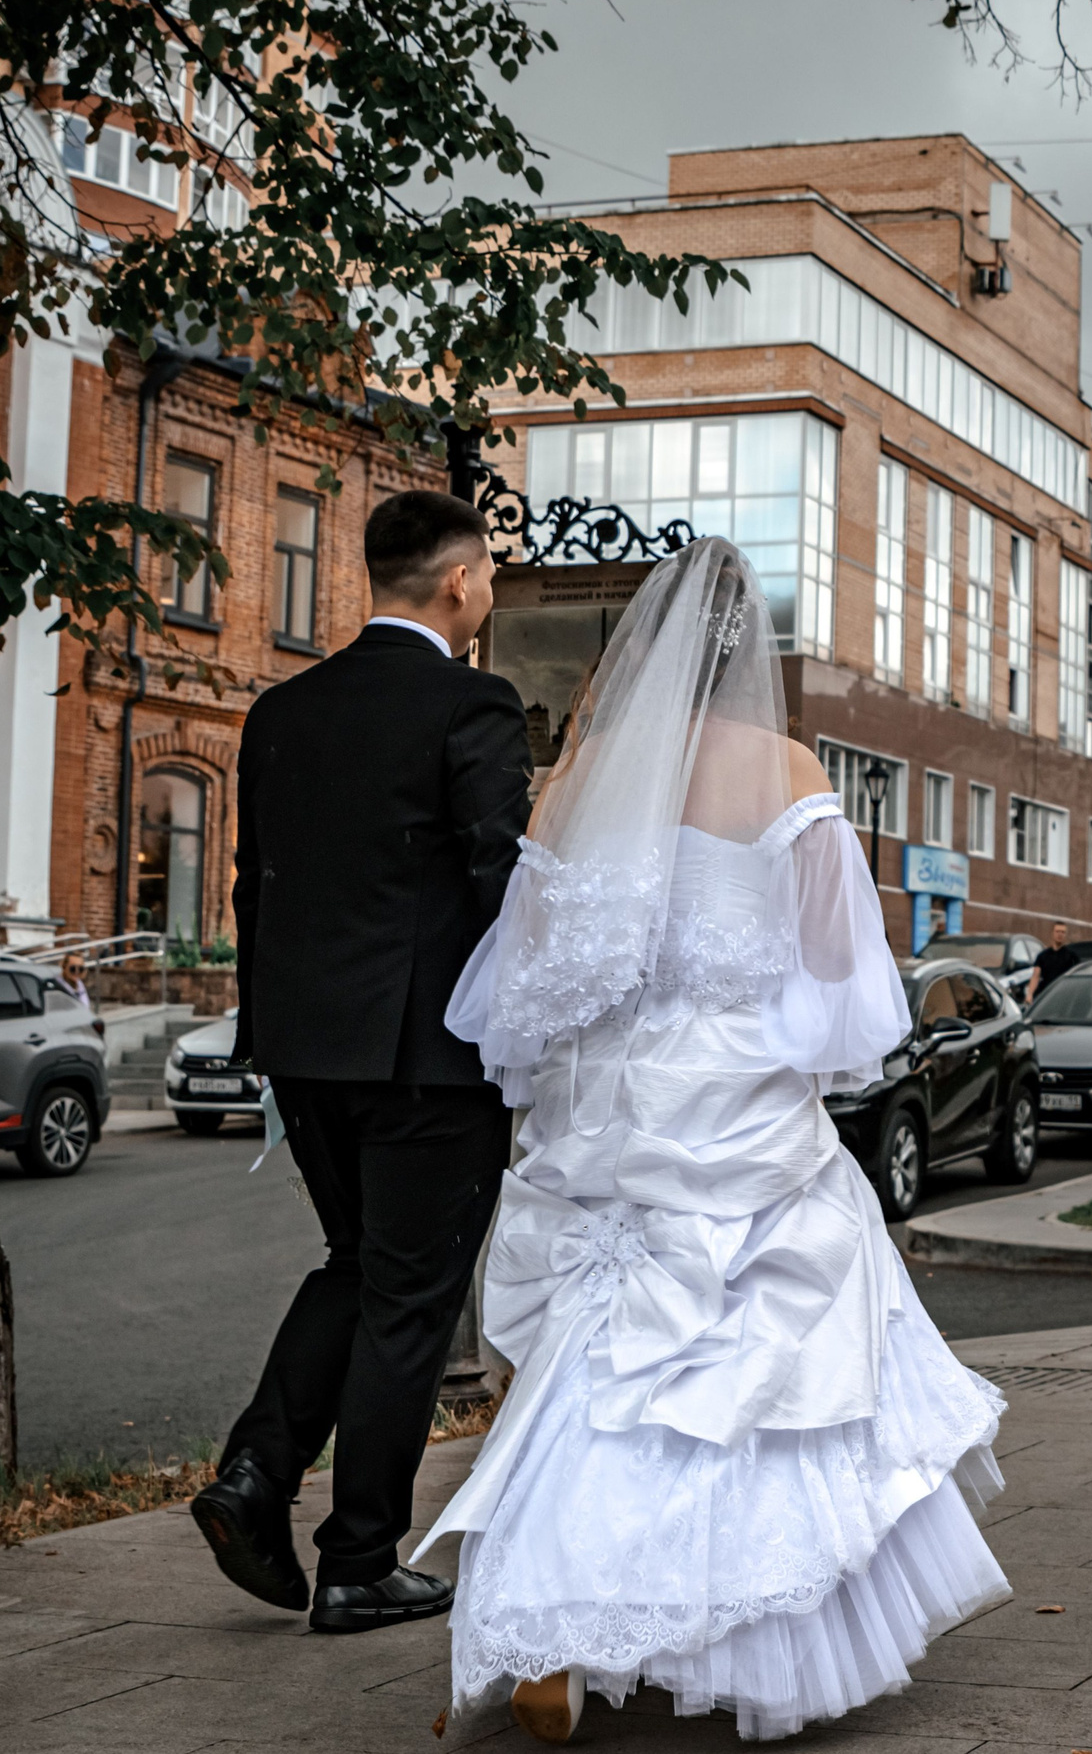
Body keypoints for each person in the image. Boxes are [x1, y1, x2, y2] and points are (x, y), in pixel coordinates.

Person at [421, 538, 1009, 1742]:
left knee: (589, 1380)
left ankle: (553, 1618)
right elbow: (842, 966)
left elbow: (525, 965)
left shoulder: (582, 771)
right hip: (736, 1100)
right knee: (756, 1387)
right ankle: (750, 1636)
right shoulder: (783, 764)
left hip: (612, 1103)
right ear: (755, 654)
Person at [193, 490, 533, 1633]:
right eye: (486, 573)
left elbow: (252, 884)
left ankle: (255, 1472)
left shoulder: (280, 713)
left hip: (303, 1047)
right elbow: (502, 884)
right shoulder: (471, 702)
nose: (486, 590)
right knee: (410, 1299)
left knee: (358, 1261)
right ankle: (358, 1559)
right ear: (456, 584)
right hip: (429, 1059)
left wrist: (272, 1027)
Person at [1029, 919, 1079, 995]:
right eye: (1057, 931)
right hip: (1046, 994)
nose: (1060, 934)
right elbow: (1035, 976)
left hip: (1064, 993)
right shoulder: (1042, 956)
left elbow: (1077, 977)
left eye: (1063, 932)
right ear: (1052, 933)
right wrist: (1030, 994)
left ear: (1065, 935)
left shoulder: (1072, 957)